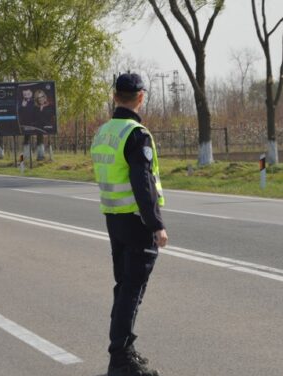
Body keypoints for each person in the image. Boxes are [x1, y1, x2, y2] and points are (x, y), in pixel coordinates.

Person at [91, 73, 168, 376]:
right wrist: (156, 224)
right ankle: (120, 359)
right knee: (131, 291)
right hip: (136, 222)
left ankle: (123, 351)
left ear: (114, 96)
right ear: (140, 97)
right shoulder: (136, 134)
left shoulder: (103, 132)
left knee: (124, 287)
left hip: (114, 219)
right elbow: (142, 182)